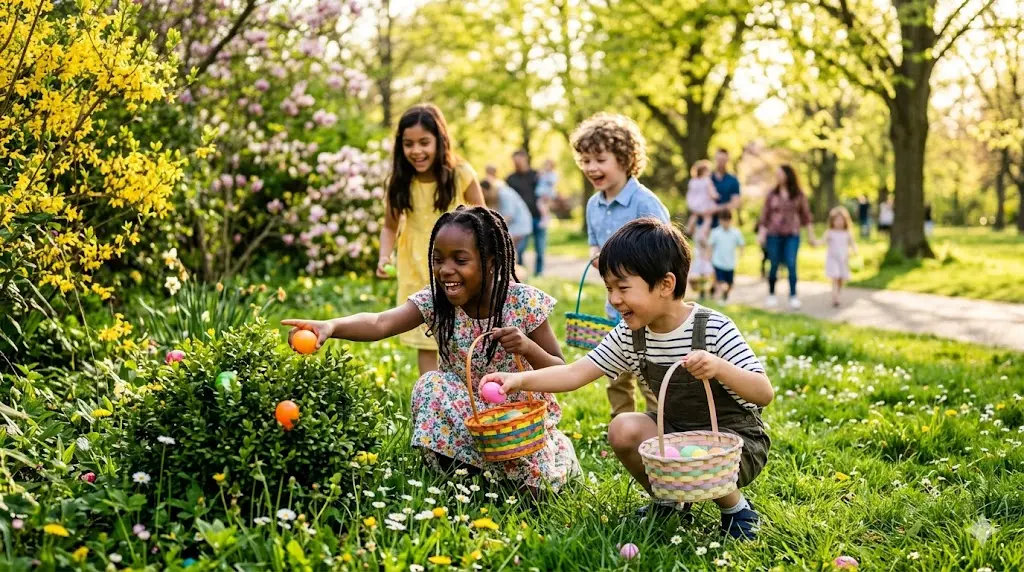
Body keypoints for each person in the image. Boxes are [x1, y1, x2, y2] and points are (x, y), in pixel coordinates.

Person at [482, 218, 771, 540]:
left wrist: (720, 368)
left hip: (735, 443)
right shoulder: (632, 335)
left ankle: (735, 508)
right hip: (676, 434)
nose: (614, 299)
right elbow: (576, 373)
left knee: (699, 453)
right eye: (609, 288)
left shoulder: (712, 328)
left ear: (665, 284)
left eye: (623, 287)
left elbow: (763, 393)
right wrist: (517, 380)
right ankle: (669, 500)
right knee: (624, 428)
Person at [285, 207, 579, 490]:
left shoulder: (521, 302)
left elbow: (560, 369)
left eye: (460, 260)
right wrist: (331, 327)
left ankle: (542, 456)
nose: (445, 270)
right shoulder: (437, 301)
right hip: (465, 410)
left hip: (518, 417)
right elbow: (379, 323)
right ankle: (466, 475)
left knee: (536, 489)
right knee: (431, 384)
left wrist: (527, 347)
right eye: (438, 259)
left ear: (490, 262)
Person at [572, 112, 671, 418]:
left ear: (626, 159)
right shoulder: (593, 204)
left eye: (600, 159)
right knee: (615, 373)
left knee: (650, 372)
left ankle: (659, 426)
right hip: (615, 307)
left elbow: (667, 251)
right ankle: (622, 422)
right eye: (585, 160)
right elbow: (593, 239)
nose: (591, 167)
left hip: (647, 306)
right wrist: (595, 253)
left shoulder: (644, 203)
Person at [376, 104, 486, 376]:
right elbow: (390, 227)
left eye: (424, 142)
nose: (416, 151)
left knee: (466, 332)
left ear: (440, 140)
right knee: (426, 339)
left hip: (459, 268)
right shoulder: (399, 182)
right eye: (408, 144)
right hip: (417, 269)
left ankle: (471, 394)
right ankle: (432, 402)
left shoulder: (460, 173)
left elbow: (485, 219)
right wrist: (383, 256)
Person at [757, 164, 819, 310]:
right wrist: (761, 233)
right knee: (774, 264)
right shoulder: (772, 194)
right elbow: (764, 216)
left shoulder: (798, 194)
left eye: (780, 173)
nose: (777, 176)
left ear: (788, 175)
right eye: (776, 174)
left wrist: (811, 236)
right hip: (774, 235)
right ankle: (771, 294)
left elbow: (806, 216)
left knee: (791, 264)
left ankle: (793, 296)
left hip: (792, 234)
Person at [506, 151, 546, 276]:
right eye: (515, 162)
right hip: (520, 221)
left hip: (537, 217)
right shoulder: (510, 179)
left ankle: (539, 274)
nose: (517, 164)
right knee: (519, 249)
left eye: (519, 161)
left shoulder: (536, 175)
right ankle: (520, 273)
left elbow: (546, 191)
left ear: (525, 160)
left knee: (540, 248)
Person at [481, 179, 532, 263]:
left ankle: (516, 271)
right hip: (515, 226)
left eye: (483, 192)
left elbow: (508, 215)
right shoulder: (498, 195)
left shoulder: (504, 193)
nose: (483, 196)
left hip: (519, 225)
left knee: (510, 250)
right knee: (511, 250)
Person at [825, 206, 858, 307]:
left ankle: (838, 293)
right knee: (835, 277)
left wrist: (855, 251)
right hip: (833, 259)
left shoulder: (847, 233)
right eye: (837, 220)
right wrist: (814, 242)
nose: (839, 222)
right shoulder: (830, 232)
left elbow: (853, 244)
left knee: (840, 279)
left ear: (845, 221)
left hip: (843, 259)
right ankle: (835, 298)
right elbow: (821, 241)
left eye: (841, 220)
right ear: (832, 221)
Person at [709, 210, 745, 301]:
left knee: (730, 284)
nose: (725, 223)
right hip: (718, 261)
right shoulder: (715, 232)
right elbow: (710, 245)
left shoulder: (735, 233)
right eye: (723, 220)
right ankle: (721, 297)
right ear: (720, 220)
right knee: (721, 281)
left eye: (727, 220)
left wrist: (741, 253)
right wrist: (709, 256)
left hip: (730, 263)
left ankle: (722, 293)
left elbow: (741, 243)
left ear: (730, 220)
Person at [685, 159, 719, 244]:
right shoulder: (707, 181)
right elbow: (712, 193)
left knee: (694, 215)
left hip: (695, 204)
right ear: (704, 171)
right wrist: (716, 196)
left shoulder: (693, 181)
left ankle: (688, 229)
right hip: (704, 204)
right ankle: (702, 235)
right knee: (708, 219)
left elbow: (691, 192)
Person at [710, 148, 742, 228]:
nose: (720, 162)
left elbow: (736, 203)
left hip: (725, 224)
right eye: (719, 159)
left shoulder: (733, 180)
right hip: (705, 223)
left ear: (727, 160)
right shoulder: (707, 178)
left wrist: (717, 209)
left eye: (723, 160)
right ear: (715, 159)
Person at [536, 159, 558, 230]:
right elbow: (539, 180)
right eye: (545, 165)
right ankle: (545, 219)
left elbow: (552, 183)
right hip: (542, 192)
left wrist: (545, 176)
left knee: (543, 206)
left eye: (548, 165)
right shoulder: (543, 173)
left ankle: (546, 219)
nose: (546, 167)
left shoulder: (552, 174)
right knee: (541, 206)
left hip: (547, 193)